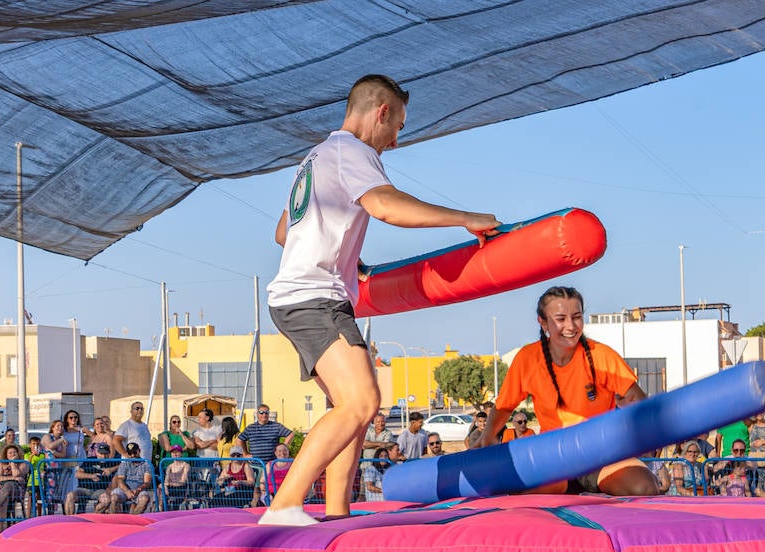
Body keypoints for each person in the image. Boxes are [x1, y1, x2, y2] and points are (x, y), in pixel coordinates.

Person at [259, 73, 498, 527]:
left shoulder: (316, 157)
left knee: (349, 409)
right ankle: (284, 504)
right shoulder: (354, 151)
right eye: (399, 127)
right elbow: (386, 207)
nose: (394, 141)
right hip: (314, 297)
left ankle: (336, 510)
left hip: (300, 296)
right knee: (362, 403)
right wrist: (465, 218)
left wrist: (351, 258)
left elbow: (282, 231)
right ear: (382, 112)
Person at [478, 286, 659, 496]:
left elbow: (638, 401)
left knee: (643, 486)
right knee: (516, 490)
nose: (571, 326)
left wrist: (644, 433)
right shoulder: (528, 358)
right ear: (543, 322)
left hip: (600, 455)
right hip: (553, 458)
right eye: (560, 319)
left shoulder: (601, 355)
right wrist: (487, 438)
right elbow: (504, 406)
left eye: (577, 317)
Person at [98, 442, 154, 515]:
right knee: (114, 497)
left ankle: (133, 520)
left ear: (139, 451)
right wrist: (127, 491)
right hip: (124, 490)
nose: (133, 455)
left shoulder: (146, 464)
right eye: (130, 453)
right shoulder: (124, 464)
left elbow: (147, 482)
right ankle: (113, 520)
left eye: (135, 452)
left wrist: (138, 489)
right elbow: (120, 480)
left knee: (144, 499)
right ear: (127, 454)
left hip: (139, 490)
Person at [66, 442, 118, 515]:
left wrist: (111, 469)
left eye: (106, 454)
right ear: (96, 453)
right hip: (83, 489)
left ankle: (94, 515)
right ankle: (70, 519)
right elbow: (77, 474)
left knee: (106, 500)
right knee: (70, 495)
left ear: (109, 453)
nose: (103, 456)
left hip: (100, 490)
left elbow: (124, 464)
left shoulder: (112, 462)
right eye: (101, 454)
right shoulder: (89, 460)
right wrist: (92, 476)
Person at [0, 443, 29, 521]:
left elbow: (16, 473)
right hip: (2, 491)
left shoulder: (23, 463)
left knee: (9, 484)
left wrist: (13, 463)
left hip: (17, 491)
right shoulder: (2, 464)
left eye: (14, 452)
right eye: (10, 453)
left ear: (18, 453)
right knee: (4, 499)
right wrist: (13, 478)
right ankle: (1, 528)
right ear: (6, 455)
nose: (12, 454)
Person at [113, 402, 152, 467]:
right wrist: (125, 454)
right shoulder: (126, 425)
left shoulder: (144, 425)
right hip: (132, 465)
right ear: (131, 411)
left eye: (141, 409)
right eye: (137, 408)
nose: (140, 410)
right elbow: (115, 440)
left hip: (145, 464)